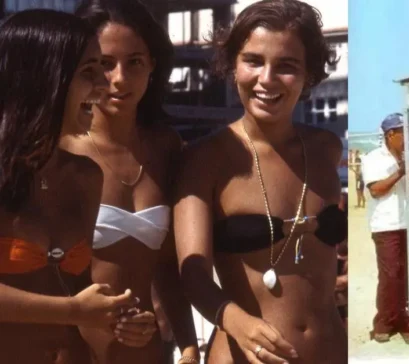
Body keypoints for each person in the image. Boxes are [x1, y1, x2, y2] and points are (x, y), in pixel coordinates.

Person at [173, 0, 347, 362]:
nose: (266, 79)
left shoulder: (327, 148)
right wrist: (236, 322)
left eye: (286, 66)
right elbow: (192, 274)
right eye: (253, 61)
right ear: (232, 66)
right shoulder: (205, 159)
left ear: (309, 74)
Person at [0, 9, 140, 363]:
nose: (105, 85)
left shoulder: (86, 177)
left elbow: (77, 291)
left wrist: (116, 319)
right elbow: (73, 306)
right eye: (88, 72)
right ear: (42, 79)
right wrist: (74, 310)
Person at [63, 1, 200, 363]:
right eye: (105, 64)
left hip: (148, 352)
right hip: (74, 352)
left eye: (134, 62)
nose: (119, 78)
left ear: (153, 66)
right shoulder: (58, 149)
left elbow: (168, 265)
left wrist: (189, 344)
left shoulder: (166, 147)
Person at [362, 113, 409, 343]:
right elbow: (376, 189)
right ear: (390, 135)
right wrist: (400, 172)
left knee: (404, 274)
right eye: (403, 133)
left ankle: (399, 317)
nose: (407, 137)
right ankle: (382, 323)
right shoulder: (373, 158)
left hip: (406, 222)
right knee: (390, 275)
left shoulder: (405, 157)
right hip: (386, 225)